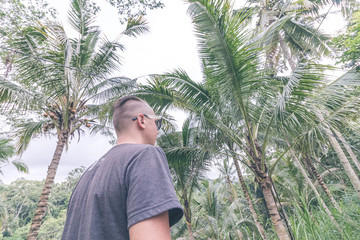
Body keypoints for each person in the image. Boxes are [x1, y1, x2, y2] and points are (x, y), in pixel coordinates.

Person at [61, 96, 184, 240]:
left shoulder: (87, 175)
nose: (157, 130)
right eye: (157, 123)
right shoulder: (145, 155)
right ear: (142, 120)